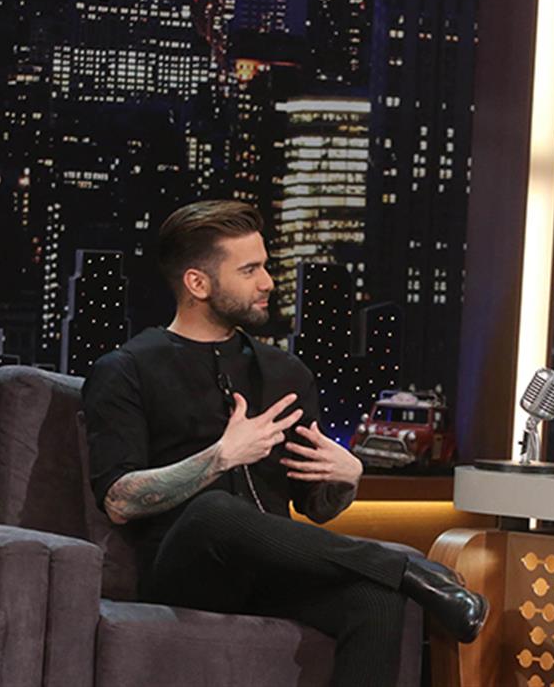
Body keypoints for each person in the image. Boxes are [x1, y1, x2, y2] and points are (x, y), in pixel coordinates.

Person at [83, 200, 487, 687]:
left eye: (266, 266)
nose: (268, 282)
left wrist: (345, 480)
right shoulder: (126, 369)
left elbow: (316, 508)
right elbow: (120, 500)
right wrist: (220, 457)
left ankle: (397, 578)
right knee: (214, 510)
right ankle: (406, 569)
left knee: (375, 600)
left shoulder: (285, 373)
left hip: (271, 570)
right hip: (186, 571)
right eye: (249, 270)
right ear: (197, 283)